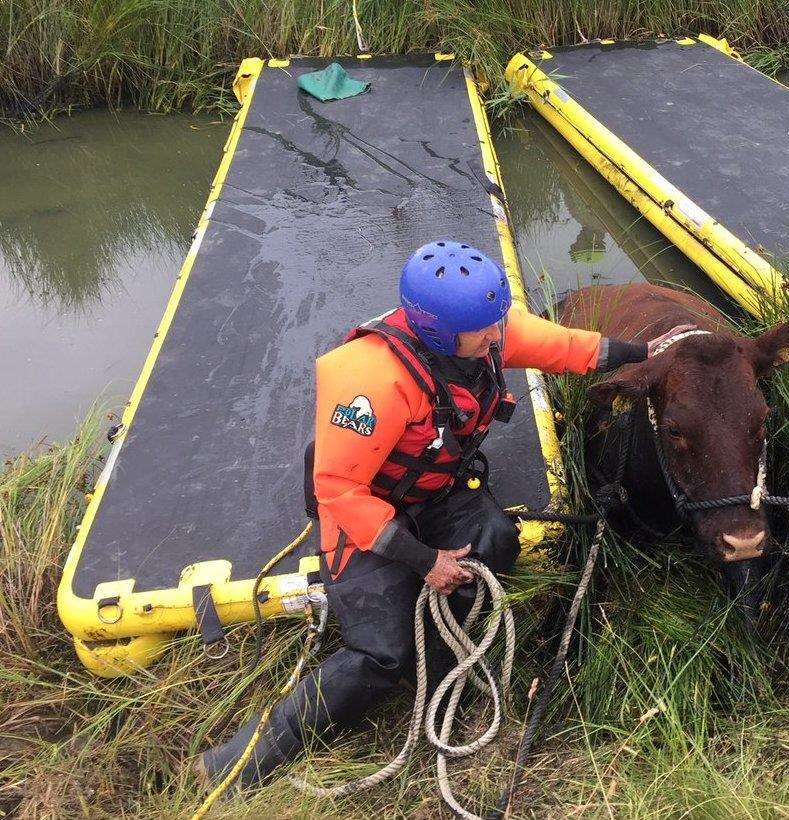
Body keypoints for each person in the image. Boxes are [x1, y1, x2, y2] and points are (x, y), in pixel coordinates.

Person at [195, 239, 687, 788]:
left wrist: (647, 354)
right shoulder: (370, 382)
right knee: (381, 654)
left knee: (496, 541)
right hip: (366, 513)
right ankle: (242, 761)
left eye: (499, 321)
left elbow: (569, 348)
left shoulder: (481, 331)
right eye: (486, 329)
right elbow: (337, 489)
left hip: (438, 489)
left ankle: (445, 657)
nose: (499, 336)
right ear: (437, 330)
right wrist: (423, 560)